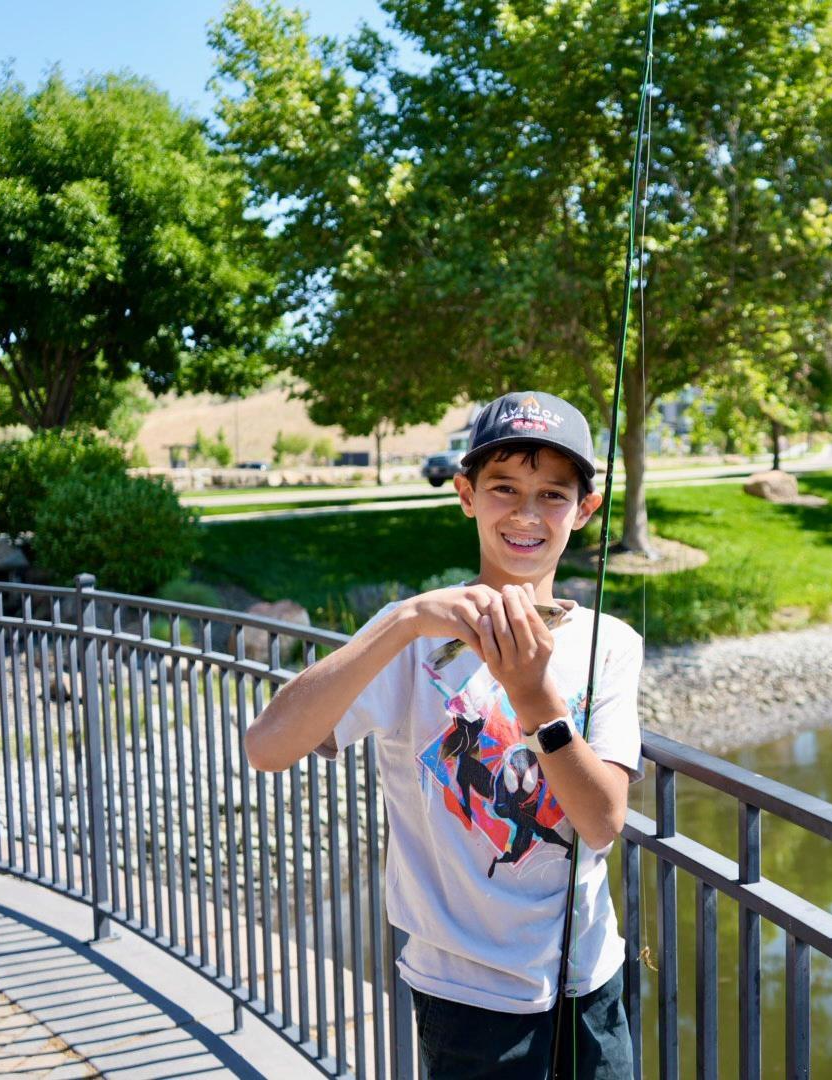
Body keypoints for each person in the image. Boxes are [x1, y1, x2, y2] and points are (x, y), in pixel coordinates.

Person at [244, 390, 642, 1079]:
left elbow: (602, 821)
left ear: (585, 510)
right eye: (504, 488)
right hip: (464, 996)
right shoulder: (413, 637)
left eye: (552, 494)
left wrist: (534, 699)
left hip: (590, 980)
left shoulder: (612, 644)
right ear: (465, 495)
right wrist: (398, 622)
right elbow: (266, 747)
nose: (525, 513)